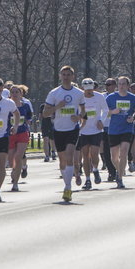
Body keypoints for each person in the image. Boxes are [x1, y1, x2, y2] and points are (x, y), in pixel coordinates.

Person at [44, 65, 86, 202]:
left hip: (72, 129)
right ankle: (68, 180)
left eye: (69, 75)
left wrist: (79, 117)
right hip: (58, 129)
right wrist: (57, 107)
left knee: (69, 155)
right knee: (62, 160)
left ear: (73, 76)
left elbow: (84, 110)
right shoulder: (54, 93)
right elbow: (45, 113)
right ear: (60, 76)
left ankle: (68, 188)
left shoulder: (79, 93)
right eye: (64, 74)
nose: (66, 77)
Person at [105, 76, 135, 188]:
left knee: (124, 152)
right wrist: (113, 111)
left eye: (123, 84)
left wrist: (133, 119)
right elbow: (104, 112)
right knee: (114, 157)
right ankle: (119, 170)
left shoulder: (133, 98)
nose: (121, 86)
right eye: (119, 84)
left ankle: (119, 178)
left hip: (127, 128)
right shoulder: (110, 97)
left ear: (128, 86)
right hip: (114, 129)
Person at [76, 78, 108, 190]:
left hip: (96, 129)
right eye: (87, 90)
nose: (89, 92)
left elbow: (106, 110)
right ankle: (88, 180)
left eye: (91, 89)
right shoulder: (79, 98)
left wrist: (101, 121)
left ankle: (95, 169)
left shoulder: (99, 97)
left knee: (94, 153)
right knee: (85, 156)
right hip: (83, 130)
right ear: (82, 89)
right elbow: (75, 111)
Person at [8, 84, 33, 192]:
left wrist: (27, 124)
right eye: (12, 92)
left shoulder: (25, 106)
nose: (14, 94)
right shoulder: (7, 106)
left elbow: (29, 118)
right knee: (11, 160)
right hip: (10, 134)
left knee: (18, 157)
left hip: (22, 133)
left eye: (16, 92)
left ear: (21, 94)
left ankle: (15, 183)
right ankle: (14, 169)